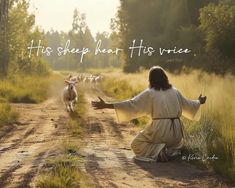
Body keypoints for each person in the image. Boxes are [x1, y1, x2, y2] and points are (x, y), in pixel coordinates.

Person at [91, 66, 207, 162]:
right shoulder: (175, 91)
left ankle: (158, 151)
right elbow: (188, 104)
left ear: (151, 79)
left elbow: (131, 104)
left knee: (136, 144)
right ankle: (169, 152)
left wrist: (107, 105)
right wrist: (199, 101)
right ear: (165, 78)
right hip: (176, 133)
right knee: (174, 146)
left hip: (160, 130)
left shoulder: (150, 93)